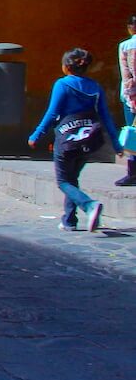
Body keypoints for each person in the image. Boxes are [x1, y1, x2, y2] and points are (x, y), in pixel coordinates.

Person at [29, 47, 118, 231]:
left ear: (66, 67)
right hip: (88, 140)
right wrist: (116, 143)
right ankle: (69, 220)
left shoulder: (62, 84)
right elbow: (105, 116)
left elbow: (52, 113)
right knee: (72, 179)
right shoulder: (95, 87)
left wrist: (37, 134)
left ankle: (89, 205)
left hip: (67, 139)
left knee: (63, 181)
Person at [117, 16, 136, 187]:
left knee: (133, 135)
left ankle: (133, 173)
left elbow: (127, 75)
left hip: (133, 97)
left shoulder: (126, 46)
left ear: (131, 27)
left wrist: (130, 96)